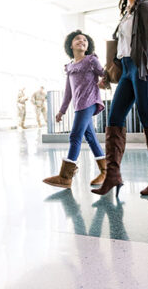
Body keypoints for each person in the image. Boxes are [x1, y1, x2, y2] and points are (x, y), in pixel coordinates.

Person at [93, 0, 148, 197]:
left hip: (143, 69)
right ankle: (113, 175)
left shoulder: (146, 7)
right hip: (126, 69)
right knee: (114, 118)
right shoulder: (126, 12)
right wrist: (108, 72)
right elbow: (121, 47)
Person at [43, 30, 107, 189]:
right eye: (77, 39)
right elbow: (69, 92)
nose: (82, 41)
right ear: (70, 45)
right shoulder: (70, 67)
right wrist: (62, 110)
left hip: (90, 102)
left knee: (75, 136)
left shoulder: (91, 60)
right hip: (78, 105)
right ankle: (106, 172)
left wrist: (105, 78)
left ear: (88, 45)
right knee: (90, 138)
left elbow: (104, 74)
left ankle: (65, 177)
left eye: (85, 40)